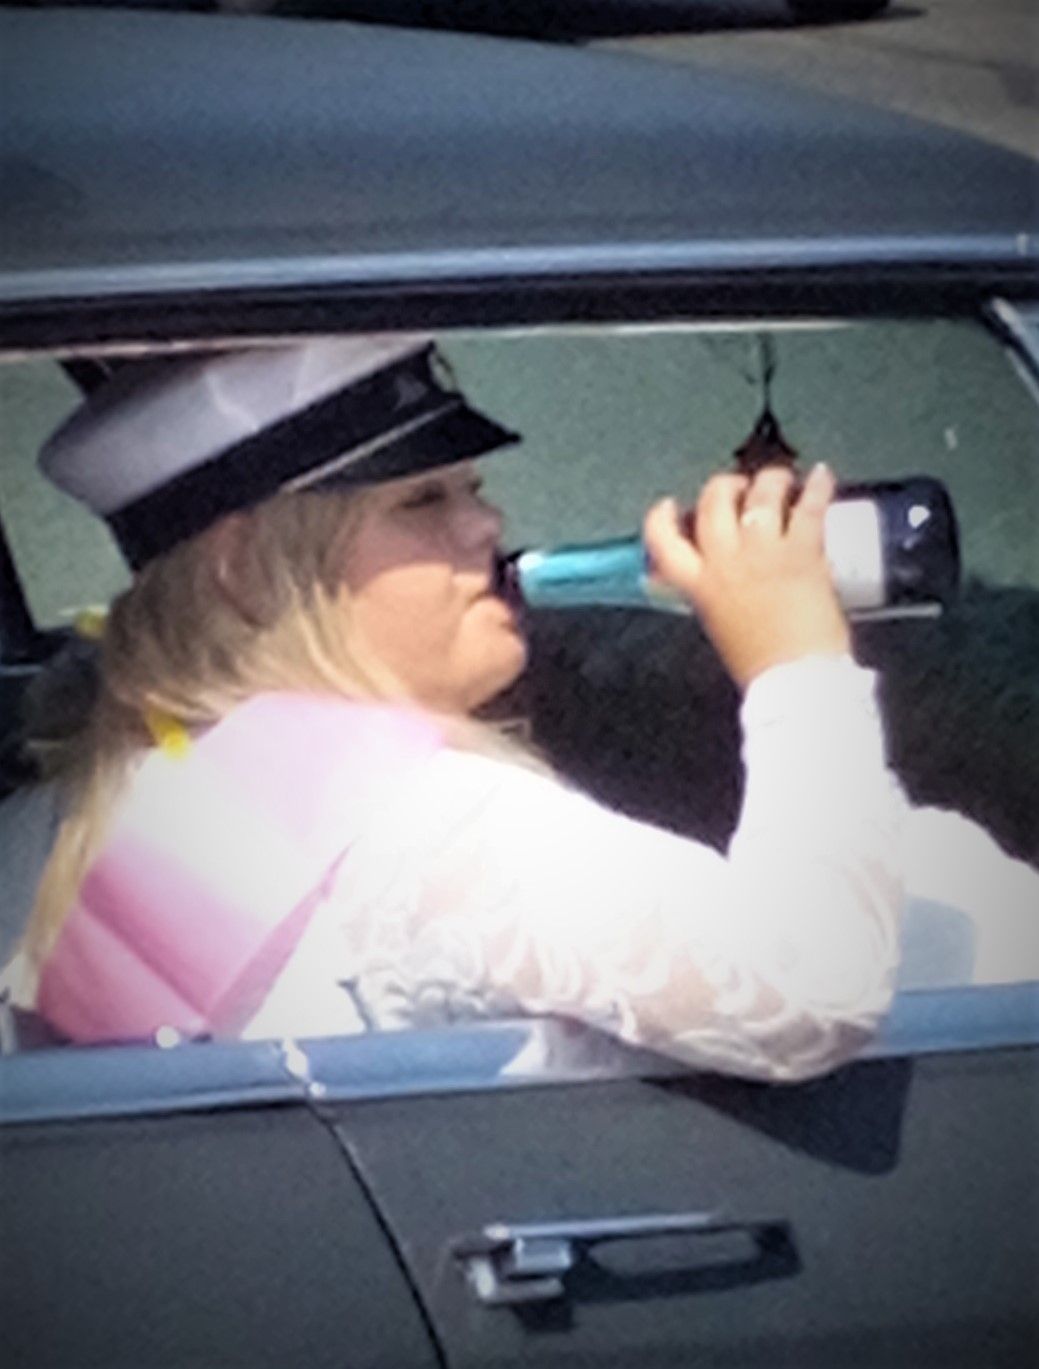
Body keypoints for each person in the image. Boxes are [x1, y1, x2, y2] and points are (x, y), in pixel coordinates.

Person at [1, 333, 906, 1082]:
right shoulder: (434, 828)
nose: (486, 525)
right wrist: (798, 662)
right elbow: (814, 984)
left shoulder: (47, 823)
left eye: (471, 489)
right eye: (420, 500)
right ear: (244, 571)